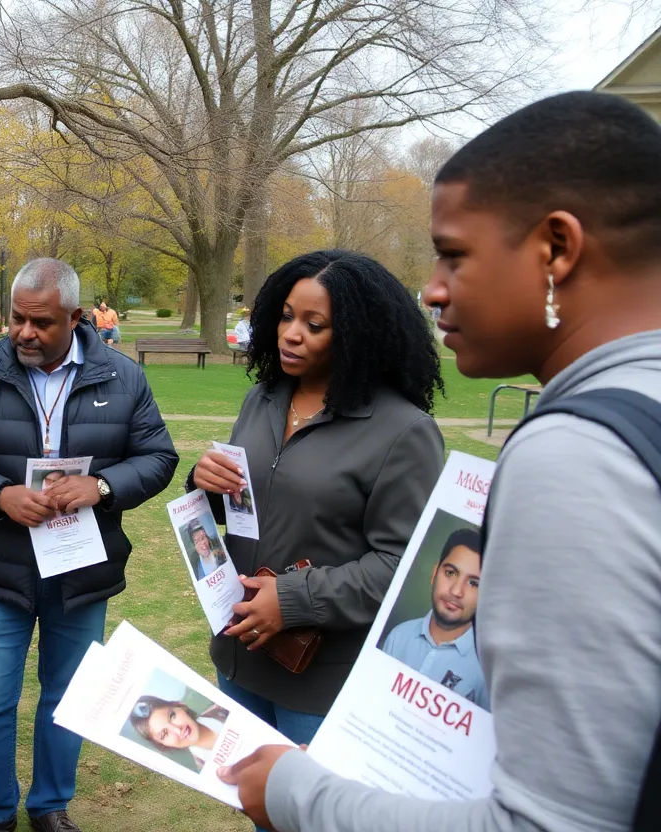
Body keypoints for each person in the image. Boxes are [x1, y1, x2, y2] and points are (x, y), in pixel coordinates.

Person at [218, 91, 661, 832]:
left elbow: (550, 820)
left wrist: (299, 793)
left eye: (455, 253)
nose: (431, 287)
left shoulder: (578, 453)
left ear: (557, 247)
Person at [0, 258, 179, 832]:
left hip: (81, 571)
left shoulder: (122, 376)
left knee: (69, 696)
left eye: (40, 323)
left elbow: (159, 458)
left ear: (75, 318)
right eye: (16, 318)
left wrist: (104, 486)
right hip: (2, 566)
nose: (24, 333)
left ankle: (49, 806)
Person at [189, 249, 445, 775]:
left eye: (314, 324)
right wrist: (206, 484)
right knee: (254, 803)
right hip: (240, 658)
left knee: (307, 812)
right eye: (285, 316)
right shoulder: (261, 400)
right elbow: (252, 503)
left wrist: (293, 599)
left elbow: (406, 569)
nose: (291, 333)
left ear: (356, 333)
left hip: (323, 680)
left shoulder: (404, 432)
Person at [380, 528, 488, 710]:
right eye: (451, 573)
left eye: (473, 583)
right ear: (434, 573)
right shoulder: (398, 635)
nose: (456, 591)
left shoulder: (486, 671)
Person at [129, 697, 230, 770]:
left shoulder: (225, 707)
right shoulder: (206, 769)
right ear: (163, 745)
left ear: (181, 707)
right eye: (164, 734)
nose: (178, 730)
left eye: (172, 716)